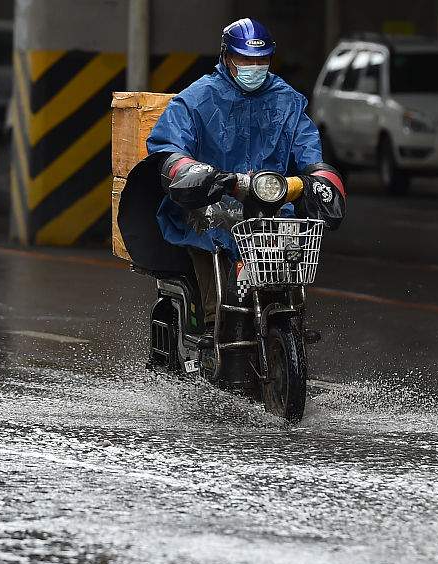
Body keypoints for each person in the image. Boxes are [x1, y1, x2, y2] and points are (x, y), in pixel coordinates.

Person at [144, 17, 346, 336]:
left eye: (261, 60)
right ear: (227, 57)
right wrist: (194, 172)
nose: (255, 66)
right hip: (214, 199)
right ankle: (213, 321)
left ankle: (290, 314)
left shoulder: (288, 101)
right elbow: (167, 145)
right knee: (207, 229)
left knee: (294, 246)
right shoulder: (196, 98)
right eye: (246, 59)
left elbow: (309, 151)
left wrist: (318, 178)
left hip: (272, 202)